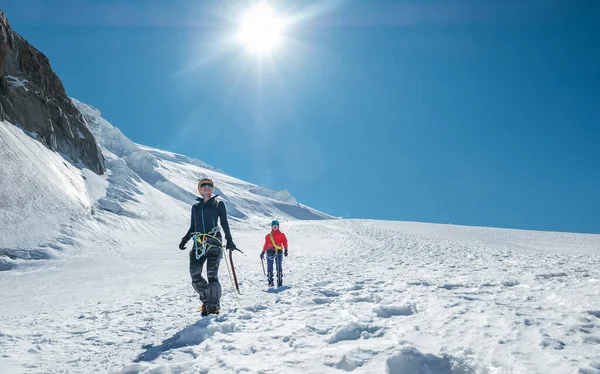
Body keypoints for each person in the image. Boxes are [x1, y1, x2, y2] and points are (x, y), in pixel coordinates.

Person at [179, 177, 236, 316]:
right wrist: (185, 240)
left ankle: (213, 307)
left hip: (214, 242)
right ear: (199, 189)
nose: (206, 187)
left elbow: (224, 222)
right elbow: (193, 226)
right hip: (198, 244)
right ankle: (206, 301)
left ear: (212, 188)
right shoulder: (195, 208)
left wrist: (229, 240)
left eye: (209, 185)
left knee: (212, 275)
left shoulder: (218, 204)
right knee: (195, 276)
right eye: (203, 185)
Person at [260, 220, 288, 287]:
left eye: (276, 226)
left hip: (278, 251)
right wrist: (263, 252)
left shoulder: (282, 235)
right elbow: (266, 244)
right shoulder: (268, 236)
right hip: (269, 251)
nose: (275, 227)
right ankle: (270, 281)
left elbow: (285, 242)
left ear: (278, 226)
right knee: (269, 266)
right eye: (274, 226)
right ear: (271, 227)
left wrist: (286, 250)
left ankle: (280, 281)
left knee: (279, 266)